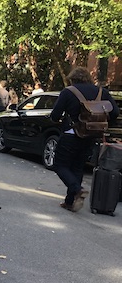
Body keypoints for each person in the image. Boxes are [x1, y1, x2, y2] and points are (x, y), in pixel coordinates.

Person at [50, 67, 119, 212]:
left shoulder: (68, 92)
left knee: (60, 165)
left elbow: (55, 115)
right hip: (91, 136)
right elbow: (115, 112)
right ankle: (70, 202)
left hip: (71, 134)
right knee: (77, 167)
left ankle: (77, 189)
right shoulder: (102, 92)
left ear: (73, 79)